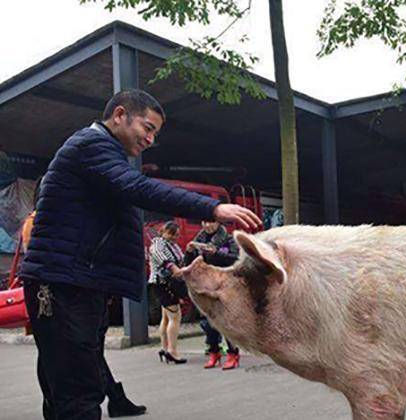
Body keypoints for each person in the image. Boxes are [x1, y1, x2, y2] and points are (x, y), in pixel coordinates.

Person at [20, 89, 261, 420]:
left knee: (68, 384)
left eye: (155, 134)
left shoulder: (100, 153)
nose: (150, 138)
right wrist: (212, 206)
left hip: (75, 283)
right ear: (120, 115)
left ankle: (114, 400)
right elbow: (139, 188)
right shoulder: (91, 145)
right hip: (64, 286)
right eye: (147, 128)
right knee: (77, 393)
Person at [21, 177, 146, 417]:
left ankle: (112, 399)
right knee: (70, 359)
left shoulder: (60, 219)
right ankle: (110, 400)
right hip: (59, 298)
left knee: (76, 356)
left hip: (80, 296)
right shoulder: (40, 221)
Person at [184, 221, 240, 369]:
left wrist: (217, 252)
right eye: (204, 222)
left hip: (224, 285)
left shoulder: (228, 239)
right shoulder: (199, 240)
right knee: (207, 323)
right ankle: (214, 353)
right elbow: (188, 265)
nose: (208, 225)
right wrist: (189, 251)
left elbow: (235, 258)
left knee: (226, 322)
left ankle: (233, 354)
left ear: (217, 222)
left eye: (211, 222)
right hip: (204, 287)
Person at [148, 221, 187, 364]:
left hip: (166, 284)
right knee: (175, 317)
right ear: (164, 232)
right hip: (164, 284)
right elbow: (158, 255)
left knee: (165, 318)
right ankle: (172, 351)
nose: (175, 237)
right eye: (172, 234)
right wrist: (172, 267)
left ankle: (165, 348)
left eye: (177, 235)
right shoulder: (158, 243)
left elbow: (181, 261)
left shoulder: (173, 246)